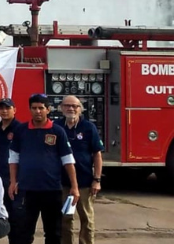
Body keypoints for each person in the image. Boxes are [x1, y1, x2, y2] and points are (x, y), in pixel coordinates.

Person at [9, 94, 79, 244]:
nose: (37, 111)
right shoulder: (21, 130)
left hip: (52, 189)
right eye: (34, 108)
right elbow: (13, 158)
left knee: (54, 233)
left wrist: (74, 186)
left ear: (48, 109)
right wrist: (13, 181)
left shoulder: (58, 131)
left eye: (41, 108)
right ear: (29, 109)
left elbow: (67, 160)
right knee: (24, 233)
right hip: (27, 190)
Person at [57, 96, 103, 244]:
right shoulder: (56, 127)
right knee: (65, 219)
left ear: (80, 109)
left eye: (75, 106)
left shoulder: (89, 127)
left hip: (85, 182)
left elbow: (97, 154)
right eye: (68, 106)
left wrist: (97, 180)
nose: (71, 109)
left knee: (87, 219)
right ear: (61, 108)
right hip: (62, 183)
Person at [0, 98, 25, 244]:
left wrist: (17, 179)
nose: (4, 111)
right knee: (3, 213)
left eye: (8, 108)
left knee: (18, 214)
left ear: (14, 110)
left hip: (15, 177)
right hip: (0, 176)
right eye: (2, 108)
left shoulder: (20, 129)